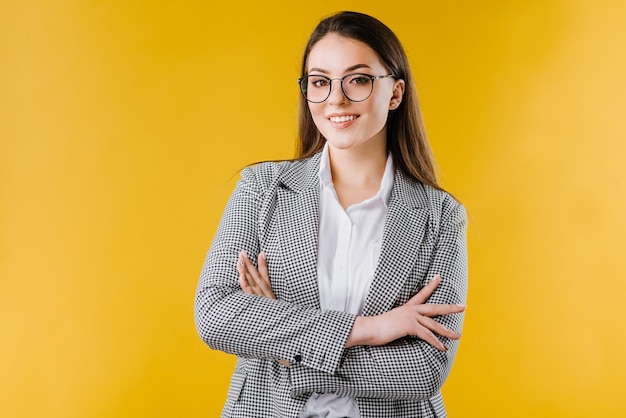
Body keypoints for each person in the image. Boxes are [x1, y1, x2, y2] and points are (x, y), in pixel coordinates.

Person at [194, 10, 468, 418]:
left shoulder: (441, 216)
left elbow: (424, 369)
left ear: (394, 93)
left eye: (357, 79)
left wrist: (286, 353)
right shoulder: (262, 189)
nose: (335, 99)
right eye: (320, 82)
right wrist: (370, 329)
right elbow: (215, 313)